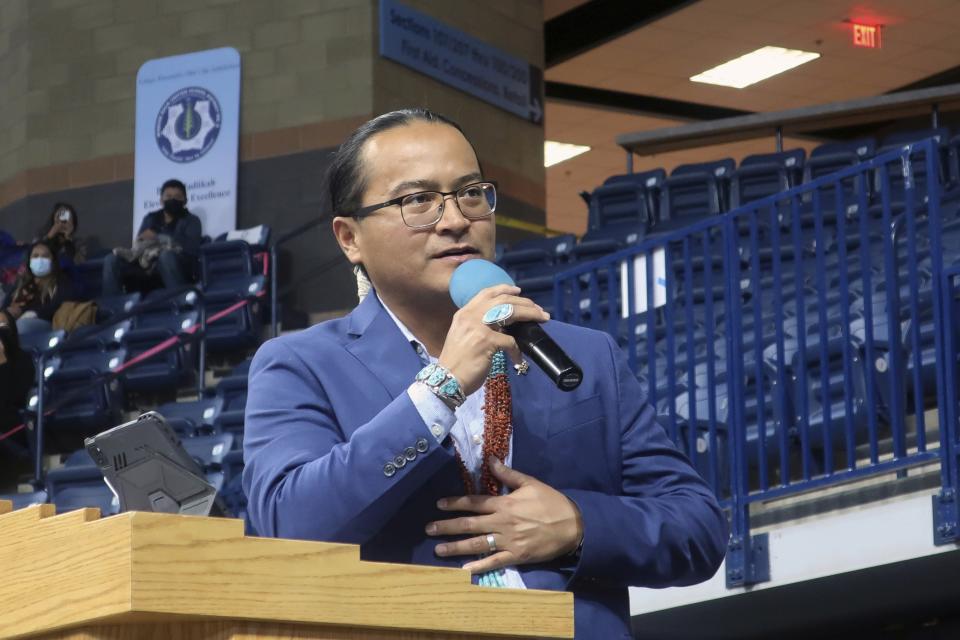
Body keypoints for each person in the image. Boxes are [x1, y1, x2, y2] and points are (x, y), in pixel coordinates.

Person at [242, 109, 727, 639]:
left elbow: (697, 528)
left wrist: (578, 525)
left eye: (470, 192)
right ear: (349, 238)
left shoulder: (586, 357)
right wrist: (440, 387)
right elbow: (290, 527)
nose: (455, 219)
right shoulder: (300, 365)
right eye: (417, 200)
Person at [102, 179, 202, 296]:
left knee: (166, 256)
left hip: (177, 267)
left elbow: (191, 248)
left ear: (185, 201)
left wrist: (159, 237)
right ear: (161, 200)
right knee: (111, 259)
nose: (172, 200)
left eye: (177, 197)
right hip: (146, 264)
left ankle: (179, 301)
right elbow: (139, 244)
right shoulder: (150, 218)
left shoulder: (192, 220)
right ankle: (114, 308)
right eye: (168, 196)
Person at [2, 240, 78, 335]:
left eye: (45, 256)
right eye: (35, 256)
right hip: (12, 322)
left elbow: (58, 304)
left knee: (21, 325)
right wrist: (8, 313)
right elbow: (5, 305)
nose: (40, 260)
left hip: (43, 322)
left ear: (53, 261)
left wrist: (30, 313)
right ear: (29, 261)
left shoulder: (61, 281)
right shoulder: (21, 283)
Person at [0, 310, 35, 434]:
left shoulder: (22, 359)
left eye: (2, 327)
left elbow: (13, 400)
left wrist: (3, 364)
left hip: (13, 423)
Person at [39, 202, 85, 267]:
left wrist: (68, 239)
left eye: (66, 215)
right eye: (59, 215)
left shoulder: (78, 243)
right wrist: (50, 236)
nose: (62, 220)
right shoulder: (42, 238)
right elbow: (37, 257)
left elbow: (80, 264)